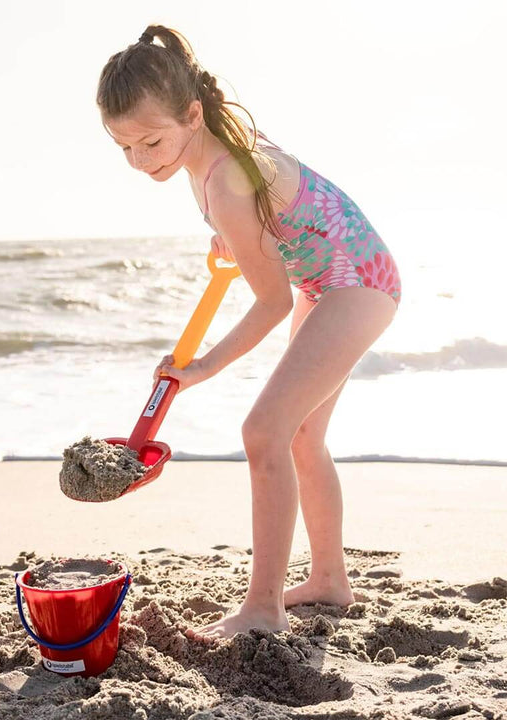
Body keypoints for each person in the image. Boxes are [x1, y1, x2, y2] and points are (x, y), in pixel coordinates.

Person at [96, 24, 402, 641]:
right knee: (301, 437)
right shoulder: (202, 159)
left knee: (264, 431)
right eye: (124, 148)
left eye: (151, 142)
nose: (140, 161)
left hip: (354, 284)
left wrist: (203, 367)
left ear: (191, 113)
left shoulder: (226, 174)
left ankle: (263, 606)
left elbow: (270, 300)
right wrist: (237, 241)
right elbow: (277, 225)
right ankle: (330, 580)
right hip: (329, 282)